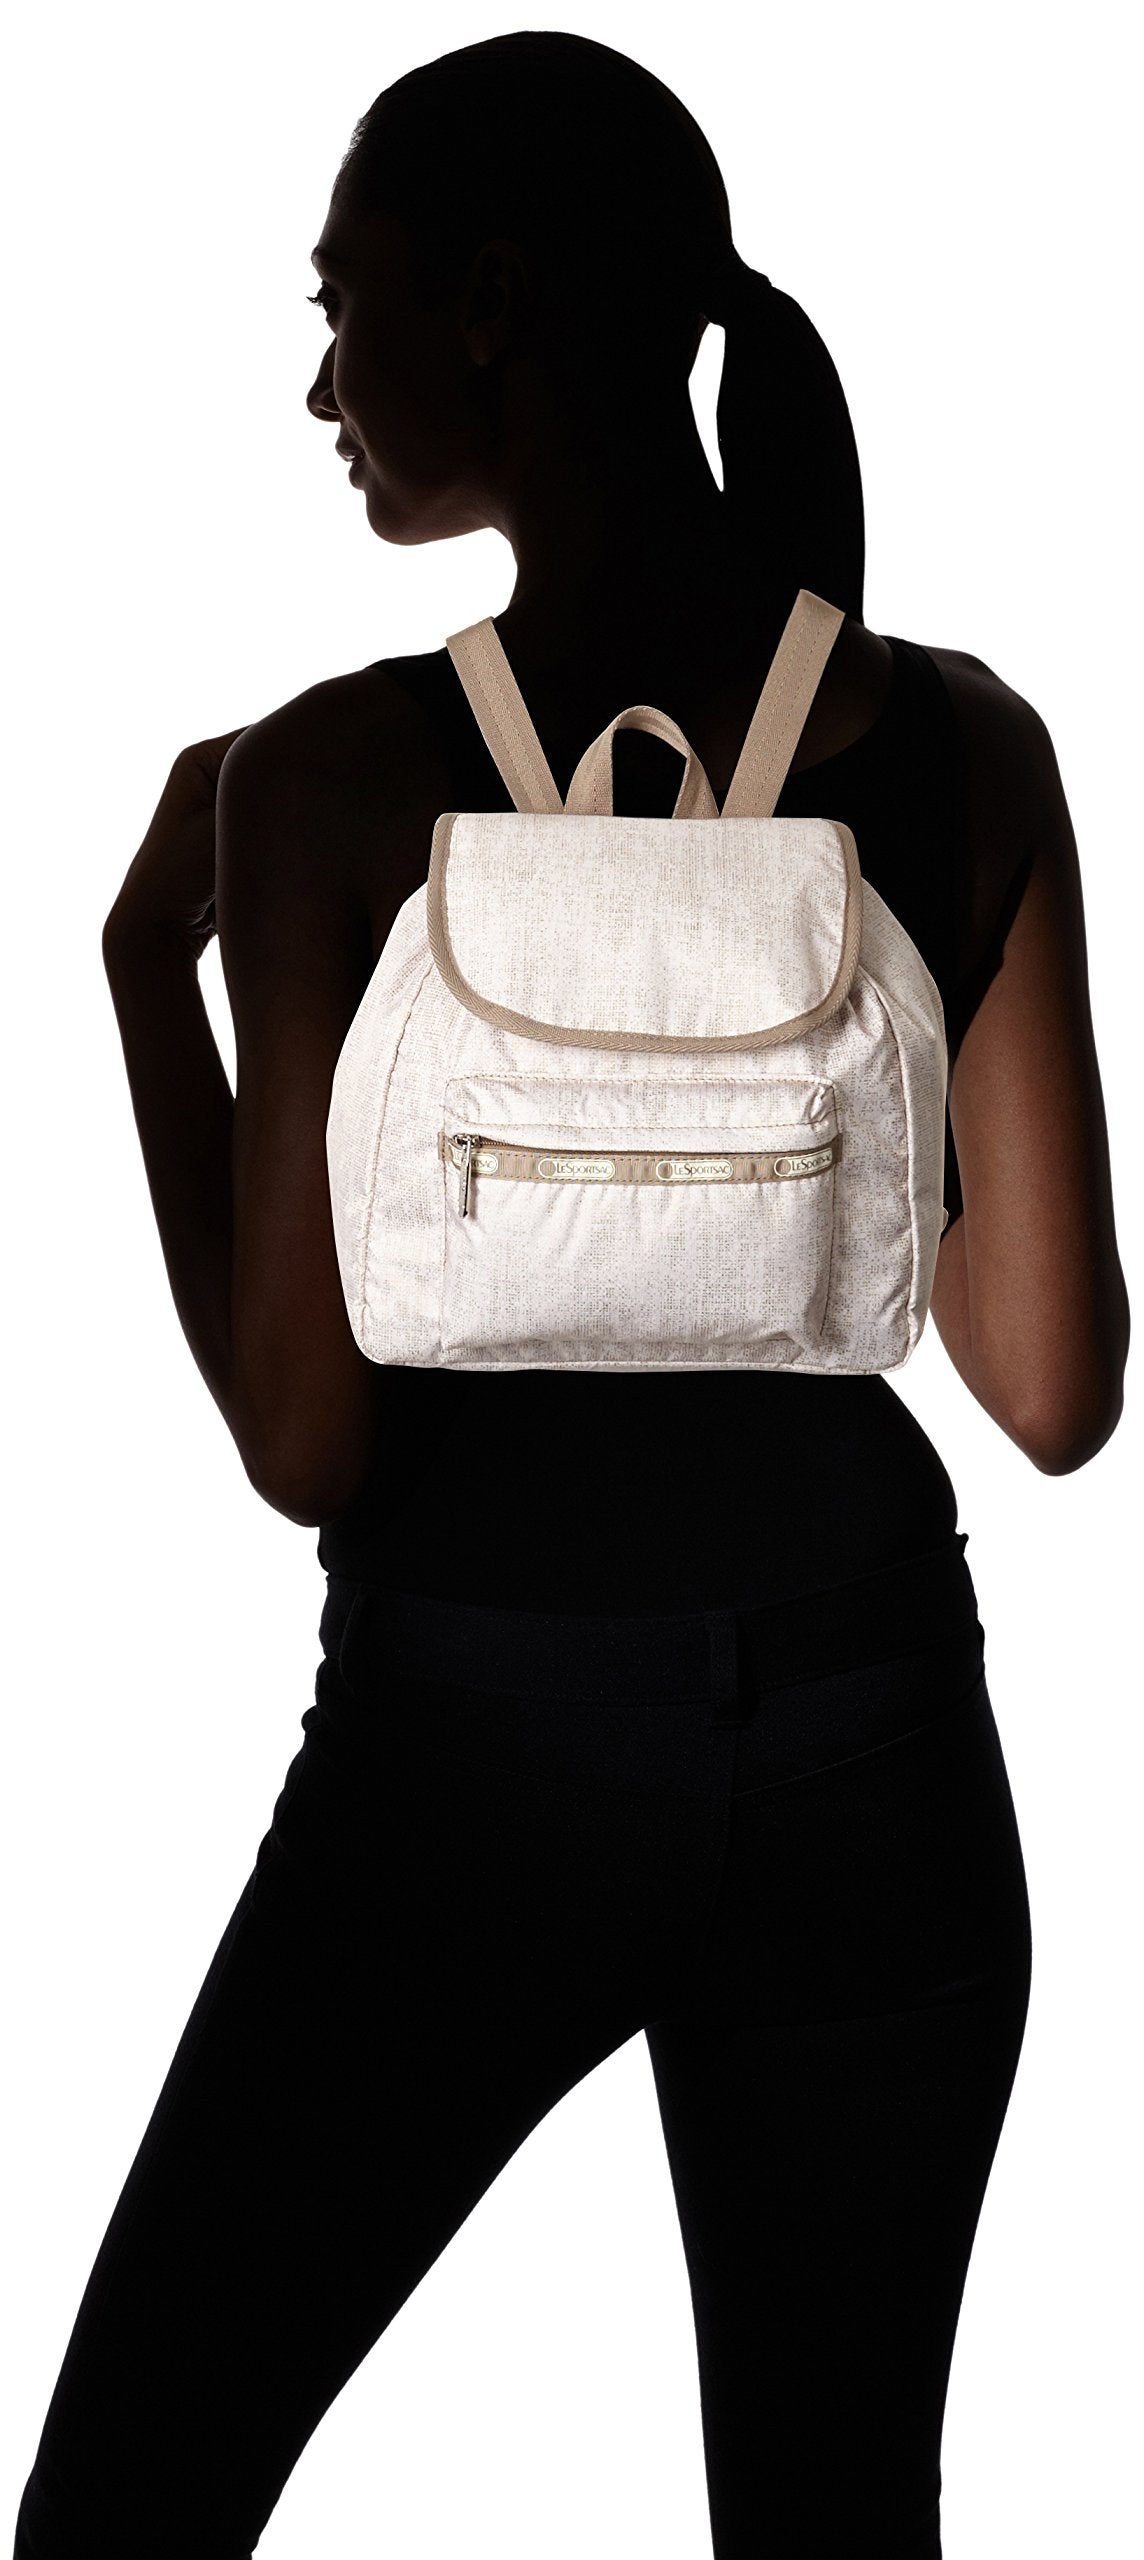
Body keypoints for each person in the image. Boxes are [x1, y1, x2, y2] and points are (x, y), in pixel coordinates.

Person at [14, 30, 1130, 2560]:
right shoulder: (967, 744)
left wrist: (140, 979)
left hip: (467, 1761)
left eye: (343, 306)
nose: (321, 385)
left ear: (491, 303)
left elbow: (305, 1439)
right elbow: (1046, 1383)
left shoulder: (323, 780)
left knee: (129, 2502)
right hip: (873, 1751)